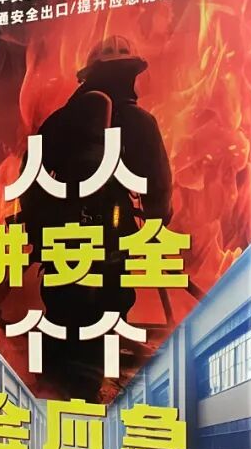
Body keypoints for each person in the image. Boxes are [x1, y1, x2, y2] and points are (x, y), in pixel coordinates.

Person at [16, 35, 173, 400]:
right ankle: (89, 398)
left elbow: (29, 177)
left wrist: (40, 233)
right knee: (107, 312)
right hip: (112, 241)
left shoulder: (58, 121)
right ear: (132, 74)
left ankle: (54, 393)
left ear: (88, 76)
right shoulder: (139, 122)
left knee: (61, 314)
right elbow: (158, 187)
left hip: (60, 242)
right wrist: (153, 224)